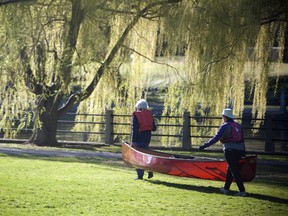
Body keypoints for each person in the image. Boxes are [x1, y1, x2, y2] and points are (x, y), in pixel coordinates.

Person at [199, 108, 246, 196]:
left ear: (225, 117)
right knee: (230, 169)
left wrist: (205, 145)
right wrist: (244, 151)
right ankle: (226, 189)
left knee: (234, 170)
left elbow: (216, 138)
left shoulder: (225, 126)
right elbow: (242, 139)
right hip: (239, 150)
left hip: (229, 150)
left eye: (222, 116)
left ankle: (242, 191)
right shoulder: (238, 126)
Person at [131, 99, 157, 180]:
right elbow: (154, 128)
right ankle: (150, 170)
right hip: (147, 139)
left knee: (137, 157)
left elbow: (134, 129)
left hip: (138, 138)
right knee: (145, 155)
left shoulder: (136, 115)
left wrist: (133, 141)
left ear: (138, 107)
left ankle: (140, 175)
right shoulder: (150, 115)